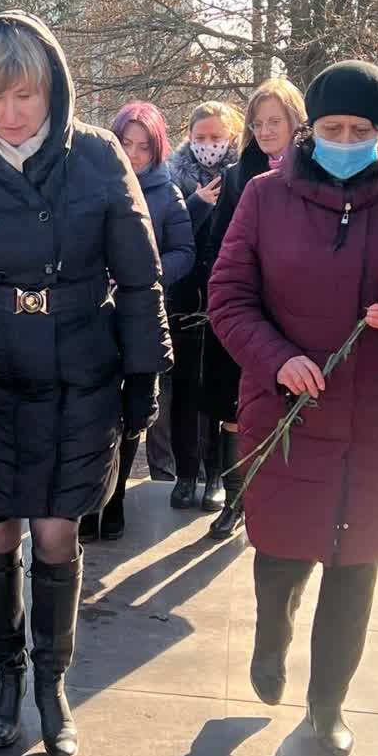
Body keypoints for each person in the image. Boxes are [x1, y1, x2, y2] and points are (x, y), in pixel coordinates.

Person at [0, 13, 172, 756]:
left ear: (52, 87)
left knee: (57, 533)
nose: (12, 112)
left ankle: (52, 680)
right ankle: (7, 673)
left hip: (77, 373)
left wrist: (143, 376)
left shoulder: (95, 156)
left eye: (24, 94)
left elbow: (140, 277)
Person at [207, 60, 378, 756]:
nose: (347, 141)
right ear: (309, 130)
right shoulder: (264, 197)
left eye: (362, 130)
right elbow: (228, 298)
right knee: (281, 557)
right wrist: (277, 358)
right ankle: (272, 637)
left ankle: (326, 707)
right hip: (288, 417)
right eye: (333, 128)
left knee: (356, 571)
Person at [80, 100, 192, 541]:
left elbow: (184, 251)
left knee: (133, 411)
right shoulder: (91, 183)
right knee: (93, 409)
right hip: (93, 314)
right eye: (126, 143)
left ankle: (116, 497)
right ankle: (89, 499)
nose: (134, 154)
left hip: (141, 314)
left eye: (144, 146)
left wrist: (144, 272)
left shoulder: (167, 192)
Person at [203, 79, 307, 541]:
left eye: (274, 122)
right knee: (235, 411)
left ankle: (281, 499)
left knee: (291, 411)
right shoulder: (237, 176)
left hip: (297, 316)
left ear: (296, 122)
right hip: (244, 316)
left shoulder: (318, 174)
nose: (264, 131)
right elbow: (218, 245)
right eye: (257, 123)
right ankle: (236, 501)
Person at [165, 101, 243, 511]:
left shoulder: (242, 177)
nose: (208, 145)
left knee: (218, 391)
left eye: (216, 137)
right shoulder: (172, 177)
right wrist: (195, 205)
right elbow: (165, 237)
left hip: (225, 302)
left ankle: (215, 474)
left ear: (231, 137)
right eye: (201, 137)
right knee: (183, 392)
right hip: (183, 299)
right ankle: (185, 473)